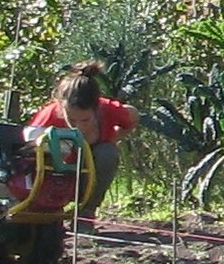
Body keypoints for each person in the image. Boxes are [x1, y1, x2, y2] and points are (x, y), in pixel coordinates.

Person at [24, 59, 141, 226]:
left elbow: (134, 115)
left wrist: (113, 137)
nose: (77, 126)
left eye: (84, 120)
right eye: (71, 119)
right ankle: (48, 212)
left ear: (96, 108)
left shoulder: (108, 110)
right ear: (61, 107)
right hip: (54, 176)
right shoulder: (48, 116)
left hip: (87, 178)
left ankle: (85, 213)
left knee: (107, 153)